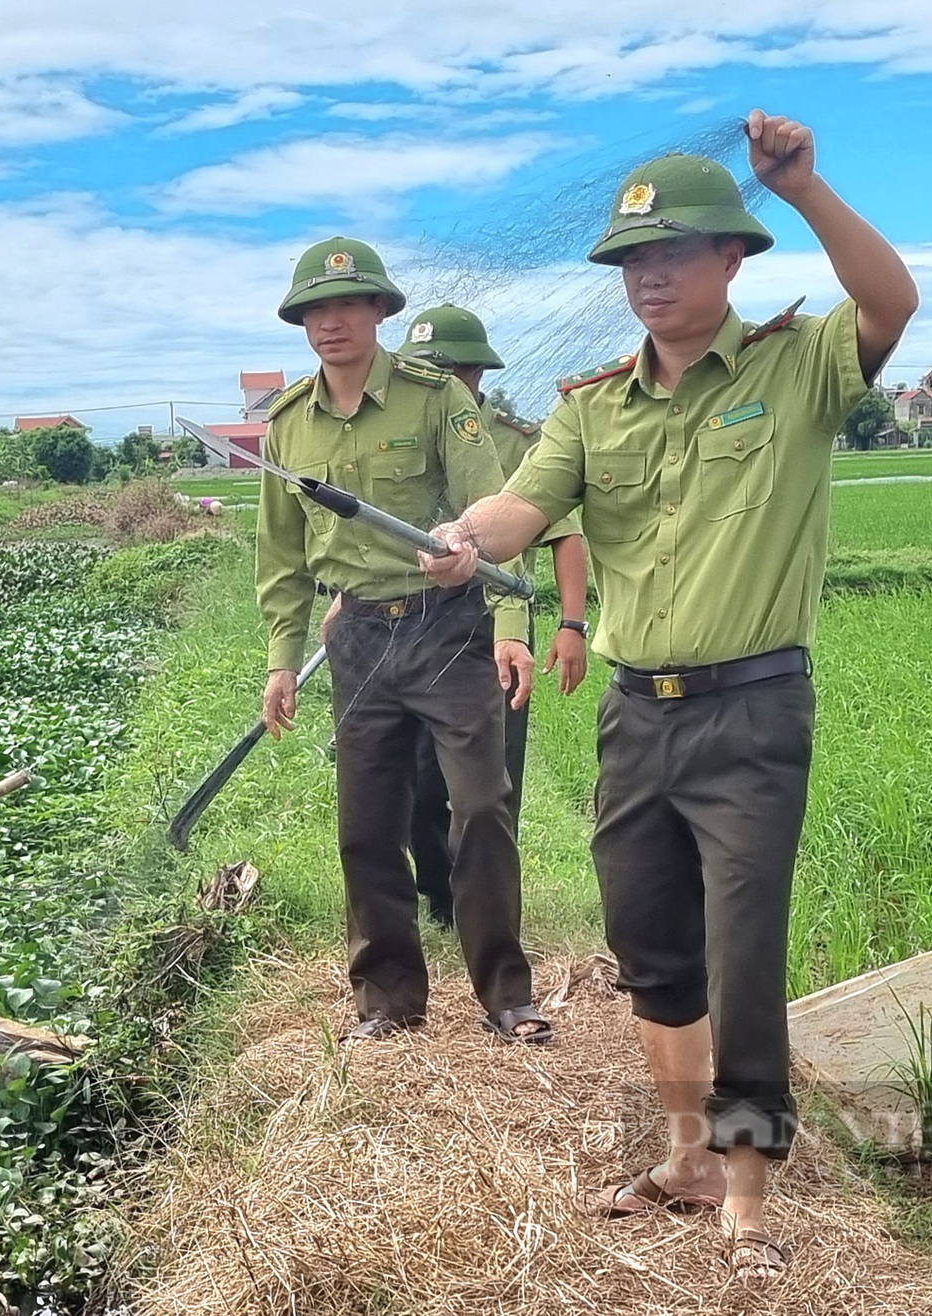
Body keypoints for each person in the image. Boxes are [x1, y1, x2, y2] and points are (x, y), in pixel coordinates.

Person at [418, 113, 918, 1279]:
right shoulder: (591, 405)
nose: (648, 275)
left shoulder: (797, 368)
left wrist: (805, 186)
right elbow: (522, 510)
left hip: (751, 710)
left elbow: (891, 303)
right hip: (634, 711)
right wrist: (460, 536)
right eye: (632, 260)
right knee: (650, 941)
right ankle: (685, 1153)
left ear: (732, 258)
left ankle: (746, 1184)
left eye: (674, 253)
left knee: (740, 945)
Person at [257, 236, 554, 1045]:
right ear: (301, 322)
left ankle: (506, 994)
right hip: (356, 636)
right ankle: (387, 1001)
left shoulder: (434, 398)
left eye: (349, 304)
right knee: (366, 823)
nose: (332, 321)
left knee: (483, 804)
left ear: (380, 311)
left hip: (445, 626)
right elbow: (281, 557)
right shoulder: (286, 427)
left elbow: (496, 514)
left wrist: (509, 622)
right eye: (316, 308)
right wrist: (283, 661)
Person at [396, 304, 591, 927]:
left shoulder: (513, 444)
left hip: (491, 623)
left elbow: (562, 534)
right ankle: (438, 890)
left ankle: (484, 904)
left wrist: (569, 622)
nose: (441, 380)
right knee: (419, 776)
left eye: (453, 369)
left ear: (479, 376)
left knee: (490, 779)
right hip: (411, 621)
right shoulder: (396, 438)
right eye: (428, 369)